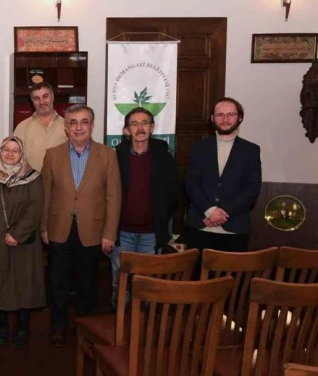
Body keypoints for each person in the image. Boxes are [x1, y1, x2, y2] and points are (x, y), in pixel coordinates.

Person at [41, 104, 122, 347]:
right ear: (66, 127)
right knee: (58, 283)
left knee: (88, 284)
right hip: (59, 229)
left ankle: (86, 330)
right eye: (73, 122)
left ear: (92, 126)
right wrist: (44, 227)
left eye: (84, 122)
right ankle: (58, 326)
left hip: (93, 231)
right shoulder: (52, 154)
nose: (78, 127)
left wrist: (109, 233)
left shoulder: (107, 155)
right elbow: (45, 194)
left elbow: (114, 197)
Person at [0, 136, 44, 348]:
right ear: (0, 152)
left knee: (23, 285)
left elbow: (35, 209)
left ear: (22, 154)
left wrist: (17, 234)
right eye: (6, 149)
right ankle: (2, 327)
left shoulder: (33, 177)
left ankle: (23, 328)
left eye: (15, 150)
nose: (10, 154)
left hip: (24, 242)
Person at [112, 107, 178, 310]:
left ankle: (145, 326)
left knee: (148, 286)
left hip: (151, 234)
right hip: (122, 233)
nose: (140, 128)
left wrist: (163, 219)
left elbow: (173, 193)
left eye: (144, 123)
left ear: (152, 127)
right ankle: (120, 325)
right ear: (126, 130)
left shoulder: (164, 157)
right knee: (121, 286)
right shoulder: (115, 157)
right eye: (134, 124)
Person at [185, 97, 262, 270]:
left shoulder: (251, 150)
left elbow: (252, 189)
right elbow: (191, 184)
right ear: (212, 118)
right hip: (200, 227)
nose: (225, 119)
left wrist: (222, 214)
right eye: (220, 115)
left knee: (230, 281)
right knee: (197, 281)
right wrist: (209, 210)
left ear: (239, 118)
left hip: (234, 229)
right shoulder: (199, 147)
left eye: (230, 114)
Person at [12, 82, 67, 171]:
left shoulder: (67, 126)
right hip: (30, 179)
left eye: (45, 96)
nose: (42, 102)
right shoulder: (22, 127)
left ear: (52, 97)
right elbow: (14, 157)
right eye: (37, 98)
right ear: (32, 101)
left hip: (59, 179)